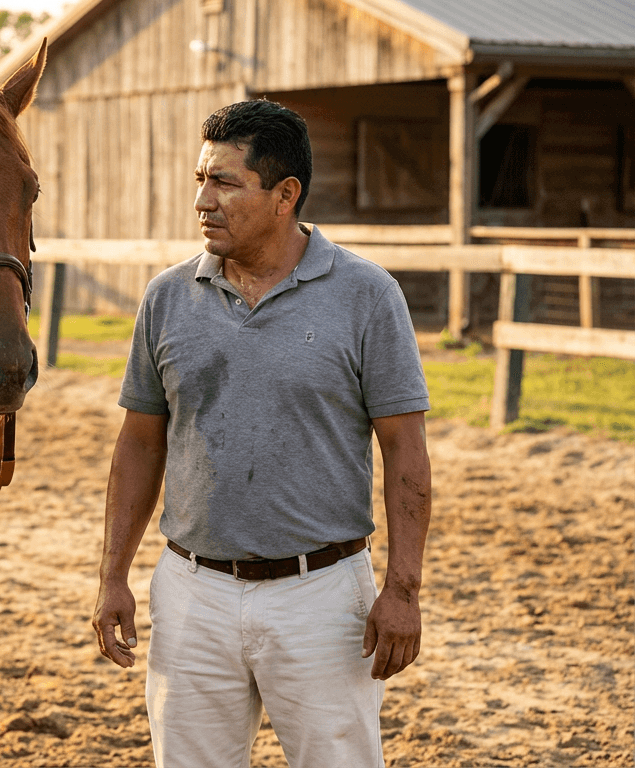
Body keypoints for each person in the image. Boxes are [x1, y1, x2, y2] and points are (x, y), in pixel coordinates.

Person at [91, 100, 432, 768]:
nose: (202, 200)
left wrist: (402, 590)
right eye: (200, 179)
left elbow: (405, 450)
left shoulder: (366, 296)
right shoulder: (166, 297)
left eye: (224, 182)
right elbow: (138, 442)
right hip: (192, 591)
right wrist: (112, 576)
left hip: (325, 596)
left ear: (285, 195)